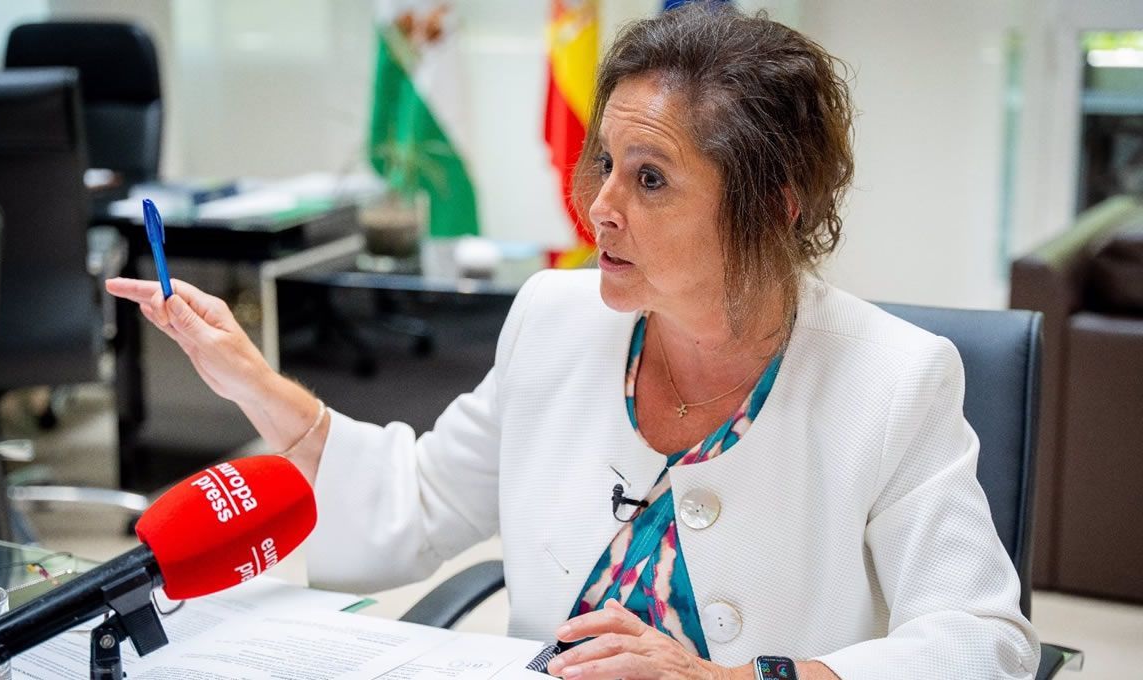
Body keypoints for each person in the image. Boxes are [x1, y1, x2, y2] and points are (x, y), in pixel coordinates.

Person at [107, 5, 1039, 679]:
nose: (599, 206)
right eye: (605, 164)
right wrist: (252, 379)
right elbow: (421, 503)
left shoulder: (895, 378)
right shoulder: (556, 319)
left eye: (651, 178)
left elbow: (981, 639)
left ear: (772, 206)